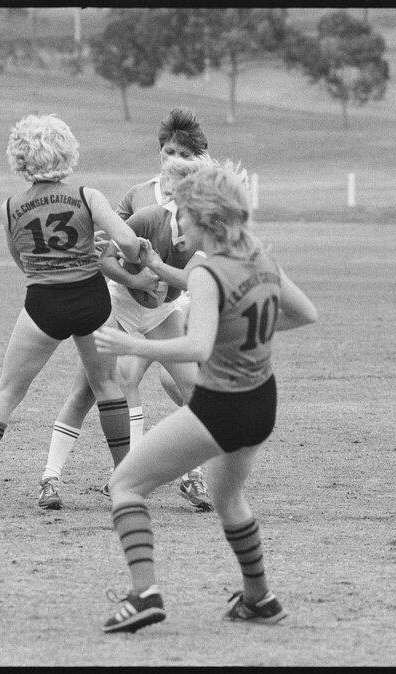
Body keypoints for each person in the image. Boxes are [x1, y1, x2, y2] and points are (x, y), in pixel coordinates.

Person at [93, 163, 319, 633]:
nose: (177, 225)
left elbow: (196, 348)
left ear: (205, 219)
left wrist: (134, 345)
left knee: (126, 486)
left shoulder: (206, 271)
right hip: (262, 402)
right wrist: (241, 336)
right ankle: (259, 598)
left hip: (223, 407)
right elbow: (305, 313)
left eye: (182, 216)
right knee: (229, 499)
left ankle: (144, 594)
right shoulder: (259, 258)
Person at [0, 113, 144, 509]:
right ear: (67, 150)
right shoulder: (86, 195)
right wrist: (110, 254)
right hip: (92, 299)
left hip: (44, 303)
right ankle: (128, 484)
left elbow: (22, 262)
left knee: (8, 391)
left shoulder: (11, 207)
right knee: (107, 388)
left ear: (20, 158)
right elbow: (127, 242)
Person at [37, 107, 214, 511]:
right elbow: (101, 251)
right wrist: (135, 279)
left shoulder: (205, 209)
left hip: (165, 308)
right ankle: (52, 476)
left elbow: (203, 276)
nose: (175, 161)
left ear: (198, 160)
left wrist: (160, 275)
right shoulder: (140, 199)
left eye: (185, 155)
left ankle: (192, 476)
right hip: (119, 302)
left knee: (196, 391)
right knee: (90, 389)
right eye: (169, 151)